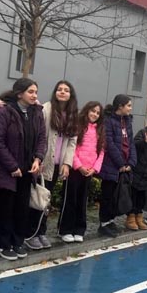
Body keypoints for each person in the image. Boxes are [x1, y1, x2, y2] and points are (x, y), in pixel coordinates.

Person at [26, 80, 78, 250]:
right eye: (59, 89)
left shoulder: (72, 115)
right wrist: (38, 158)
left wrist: (67, 164)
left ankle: (41, 232)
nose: (62, 92)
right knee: (37, 198)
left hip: (58, 165)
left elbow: (72, 142)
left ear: (71, 95)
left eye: (66, 90)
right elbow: (39, 136)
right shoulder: (46, 109)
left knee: (46, 200)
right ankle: (31, 233)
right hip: (43, 162)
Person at [0, 78, 46, 261]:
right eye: (31, 92)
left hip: (28, 170)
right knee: (6, 209)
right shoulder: (5, 112)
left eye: (36, 92)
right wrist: (12, 166)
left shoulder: (37, 112)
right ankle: (4, 243)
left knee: (21, 208)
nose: (35, 95)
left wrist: (38, 158)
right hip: (8, 171)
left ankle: (17, 241)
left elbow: (42, 137)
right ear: (20, 94)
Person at [57, 101, 105, 242]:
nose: (95, 114)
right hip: (74, 170)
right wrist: (79, 166)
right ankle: (65, 230)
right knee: (70, 200)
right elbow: (71, 148)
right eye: (93, 111)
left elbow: (101, 152)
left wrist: (94, 169)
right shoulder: (77, 126)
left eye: (97, 113)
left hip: (89, 172)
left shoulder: (100, 130)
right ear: (86, 110)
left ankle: (79, 230)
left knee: (82, 201)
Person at [98, 95, 137, 238]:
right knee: (107, 195)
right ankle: (104, 223)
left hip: (125, 166)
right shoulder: (108, 121)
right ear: (120, 106)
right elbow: (109, 144)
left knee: (117, 195)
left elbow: (131, 143)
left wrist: (130, 163)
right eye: (128, 105)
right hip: (111, 166)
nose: (130, 108)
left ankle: (111, 220)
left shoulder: (128, 122)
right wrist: (120, 163)